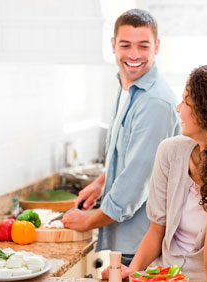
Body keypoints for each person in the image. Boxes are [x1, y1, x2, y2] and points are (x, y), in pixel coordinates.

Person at [102, 64, 207, 281]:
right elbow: (156, 231)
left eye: (186, 101)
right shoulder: (170, 152)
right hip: (163, 276)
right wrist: (133, 270)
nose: (178, 108)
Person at [62, 9, 180, 266]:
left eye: (143, 46)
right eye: (126, 45)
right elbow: (125, 153)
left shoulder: (154, 102)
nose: (134, 55)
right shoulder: (128, 87)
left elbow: (135, 184)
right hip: (128, 239)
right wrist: (101, 183)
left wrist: (88, 221)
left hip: (142, 244)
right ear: (113, 45)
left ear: (157, 46)